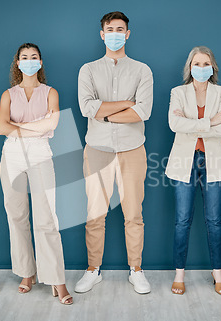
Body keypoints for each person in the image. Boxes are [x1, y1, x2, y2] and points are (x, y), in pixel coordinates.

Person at [75, 11, 153, 294]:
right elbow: (87, 107)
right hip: (97, 149)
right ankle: (93, 270)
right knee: (95, 214)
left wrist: (104, 112)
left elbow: (143, 111)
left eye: (120, 29)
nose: (115, 33)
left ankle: (136, 270)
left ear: (128, 34)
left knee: (134, 213)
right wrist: (124, 104)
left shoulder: (142, 70)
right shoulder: (89, 69)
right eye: (110, 29)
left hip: (133, 150)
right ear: (102, 34)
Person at [0, 43, 72, 305]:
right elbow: (0, 128)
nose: (29, 61)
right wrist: (34, 127)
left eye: (34, 57)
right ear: (17, 63)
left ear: (40, 62)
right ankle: (26, 273)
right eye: (24, 57)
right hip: (12, 156)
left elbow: (52, 124)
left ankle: (56, 280)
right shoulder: (8, 94)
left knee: (47, 219)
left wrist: (19, 126)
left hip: (40, 155)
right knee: (17, 215)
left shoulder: (51, 92)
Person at [165, 46, 221, 295]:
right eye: (196, 64)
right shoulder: (178, 92)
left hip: (213, 161)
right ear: (189, 67)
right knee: (182, 220)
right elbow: (174, 124)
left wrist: (192, 124)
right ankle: (179, 274)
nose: (201, 68)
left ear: (212, 67)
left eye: (206, 64)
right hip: (185, 160)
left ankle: (218, 274)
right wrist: (209, 121)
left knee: (214, 221)